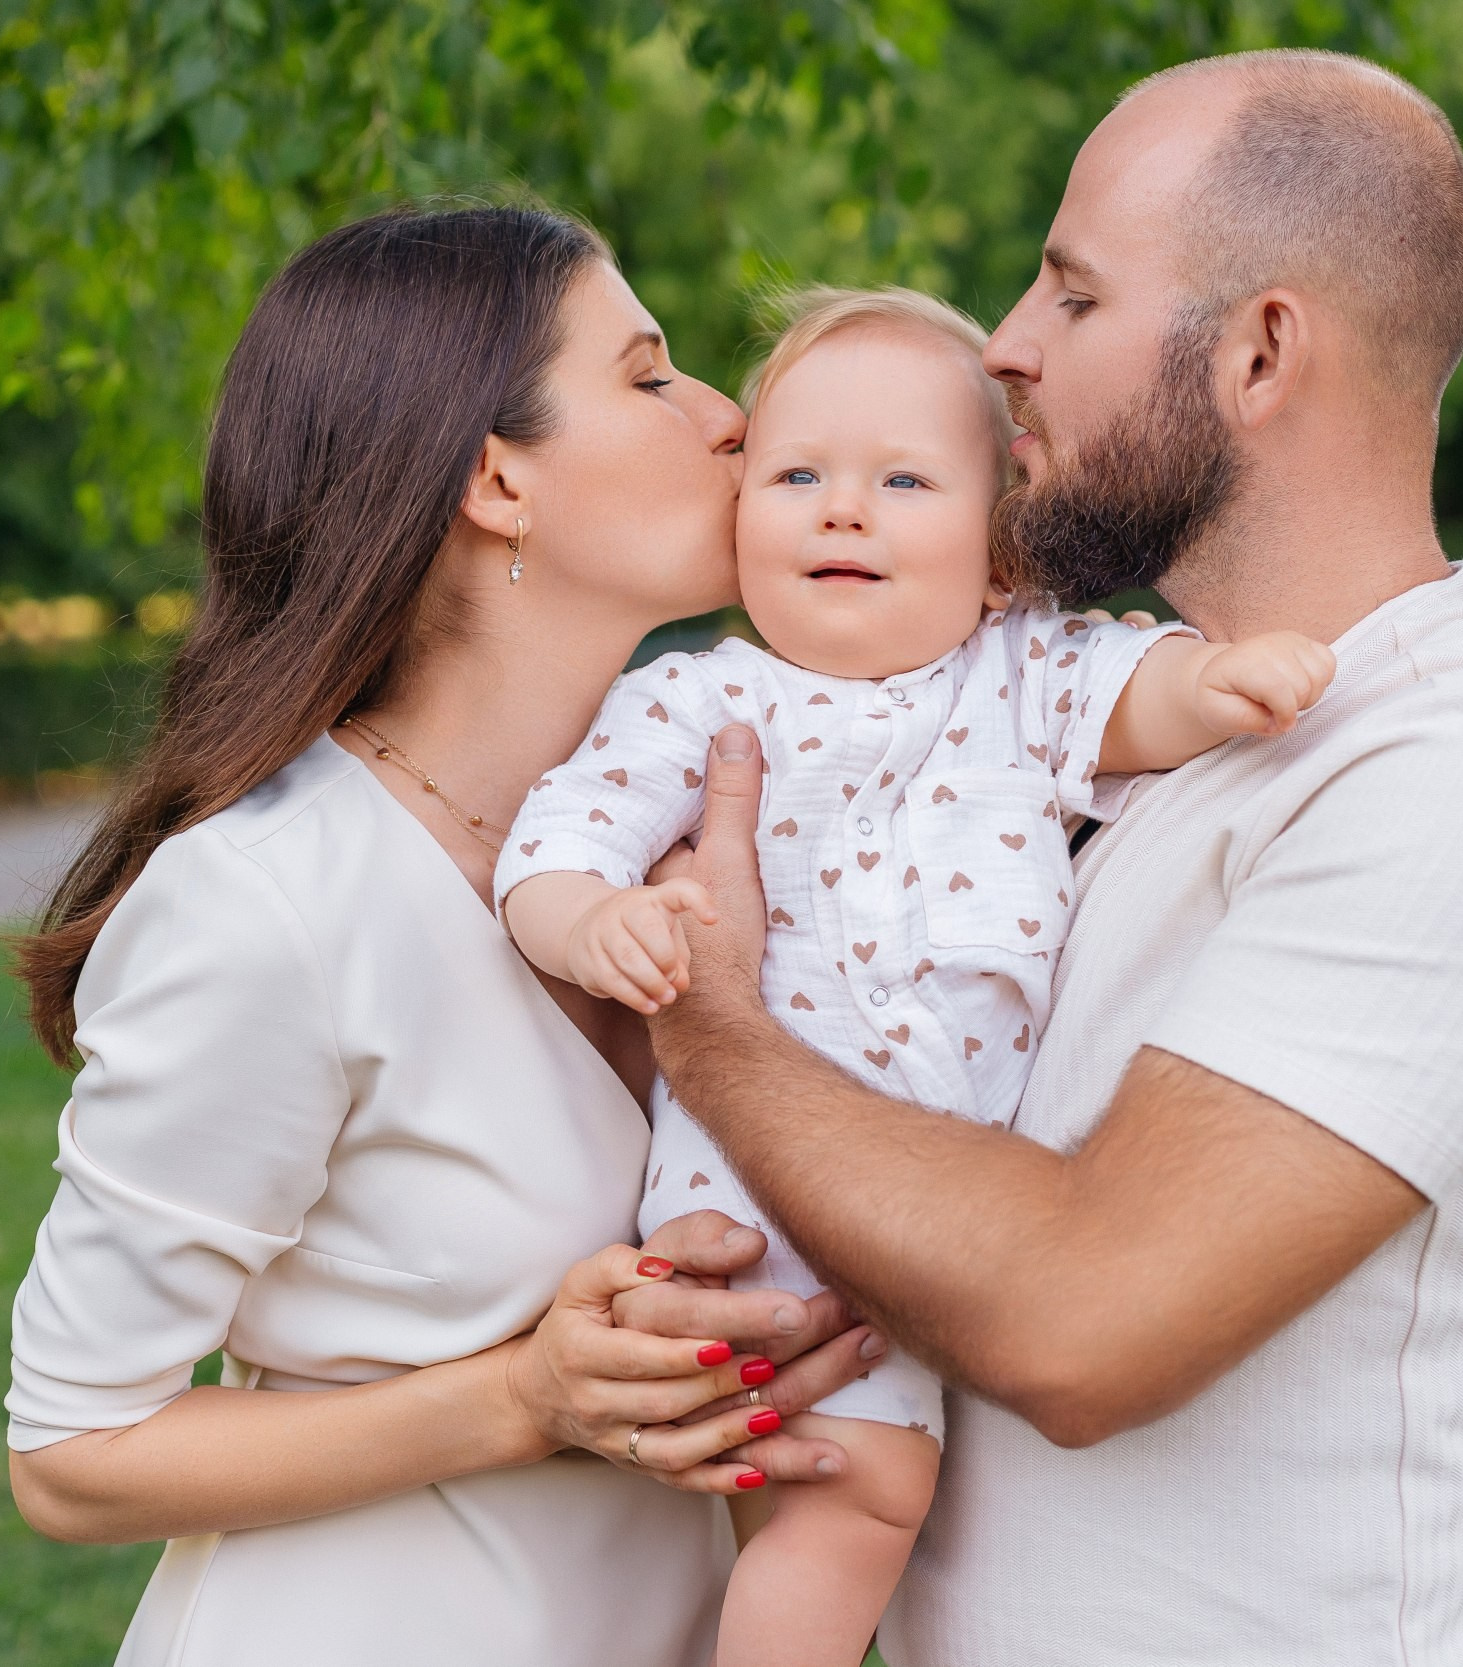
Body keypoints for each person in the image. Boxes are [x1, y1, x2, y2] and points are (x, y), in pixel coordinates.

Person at [645, 50, 1463, 1666]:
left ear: (1259, 354)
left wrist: (713, 1037)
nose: (1005, 346)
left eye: (1072, 295)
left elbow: (1080, 1319)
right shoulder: (1110, 729)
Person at [0, 204, 882, 1666]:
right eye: (650, 375)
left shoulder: (703, 835)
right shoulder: (272, 898)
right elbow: (73, 1453)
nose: (729, 416)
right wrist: (525, 1398)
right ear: (496, 479)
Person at [496, 286, 1335, 1667]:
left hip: (958, 1216)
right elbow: (554, 843)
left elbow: (1140, 694)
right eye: (797, 476)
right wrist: (591, 921)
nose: (843, 510)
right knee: (855, 1491)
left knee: (856, 1490)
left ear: (1000, 558)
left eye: (903, 482)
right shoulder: (697, 699)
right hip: (750, 1202)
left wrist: (1224, 683)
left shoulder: (1023, 674)